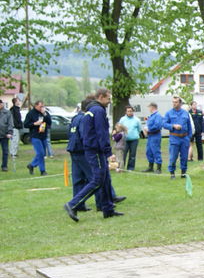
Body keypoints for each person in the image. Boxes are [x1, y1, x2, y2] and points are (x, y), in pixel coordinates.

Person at [63, 88, 123, 221]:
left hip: (92, 149)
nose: (109, 102)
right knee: (98, 180)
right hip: (95, 150)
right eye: (108, 99)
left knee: (105, 179)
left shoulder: (91, 110)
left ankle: (108, 209)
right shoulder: (98, 111)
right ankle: (73, 204)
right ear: (101, 97)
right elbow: (102, 133)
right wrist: (108, 153)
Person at [163, 96, 193, 179]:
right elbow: (164, 124)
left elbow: (189, 126)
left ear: (180, 103)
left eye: (176, 102)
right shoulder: (169, 113)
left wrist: (189, 137)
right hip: (174, 138)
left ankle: (183, 173)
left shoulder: (185, 113)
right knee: (173, 157)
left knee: (184, 157)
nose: (174, 104)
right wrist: (173, 126)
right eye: (173, 102)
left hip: (184, 138)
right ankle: (172, 173)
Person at [23, 100, 51, 176]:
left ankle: (31, 165)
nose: (42, 108)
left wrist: (45, 114)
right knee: (40, 153)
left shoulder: (44, 113)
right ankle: (42, 170)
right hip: (35, 136)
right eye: (40, 106)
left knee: (43, 154)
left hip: (43, 135)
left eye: (43, 106)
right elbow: (26, 124)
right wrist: (34, 124)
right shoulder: (31, 113)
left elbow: (49, 122)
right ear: (36, 106)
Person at [118, 105, 141, 171]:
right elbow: (119, 128)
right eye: (128, 111)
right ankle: (122, 167)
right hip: (124, 140)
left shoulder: (137, 120)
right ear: (126, 112)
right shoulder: (122, 119)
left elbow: (139, 129)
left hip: (134, 140)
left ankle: (130, 168)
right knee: (123, 154)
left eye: (131, 111)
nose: (130, 112)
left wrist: (135, 134)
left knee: (132, 155)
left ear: (133, 111)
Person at [144, 103, 163, 173]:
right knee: (149, 151)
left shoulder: (157, 115)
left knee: (156, 151)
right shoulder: (151, 116)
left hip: (155, 135)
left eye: (149, 107)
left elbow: (158, 126)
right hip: (150, 136)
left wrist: (149, 129)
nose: (149, 109)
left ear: (152, 107)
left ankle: (158, 168)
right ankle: (150, 167)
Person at [0, 100, 11, 171]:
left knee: (5, 151)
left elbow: (10, 123)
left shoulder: (7, 112)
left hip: (4, 134)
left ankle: (4, 166)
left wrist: (10, 132)